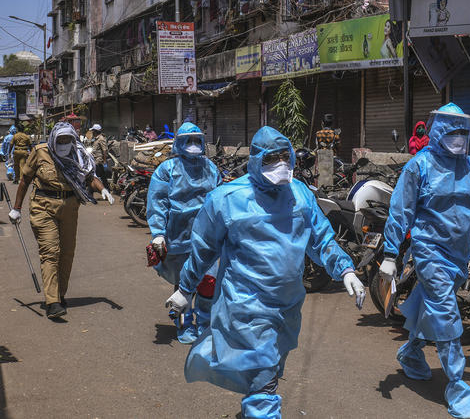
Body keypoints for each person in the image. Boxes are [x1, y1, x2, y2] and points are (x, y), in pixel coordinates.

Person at [166, 126, 365, 418]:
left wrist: (345, 269)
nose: (281, 164)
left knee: (269, 367)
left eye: (286, 157)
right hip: (247, 305)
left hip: (287, 305)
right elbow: (204, 249)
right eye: (273, 158)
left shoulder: (299, 194)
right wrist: (185, 289)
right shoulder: (228, 198)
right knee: (264, 378)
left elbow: (321, 239)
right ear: (257, 159)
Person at [380, 103, 470, 419]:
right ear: (440, 130)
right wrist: (390, 254)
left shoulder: (469, 166)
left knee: (434, 307)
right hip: (429, 251)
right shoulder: (419, 166)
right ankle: (458, 388)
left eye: (463, 130)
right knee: (445, 311)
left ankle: (412, 352)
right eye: (453, 130)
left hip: (459, 255)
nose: (459, 136)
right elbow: (400, 211)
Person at [8, 122, 115, 319]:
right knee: (50, 252)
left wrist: (103, 189)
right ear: (54, 138)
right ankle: (52, 302)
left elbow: (89, 176)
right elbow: (25, 180)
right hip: (43, 206)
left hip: (69, 207)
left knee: (66, 253)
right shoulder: (41, 152)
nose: (65, 142)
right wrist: (16, 208)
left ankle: (60, 294)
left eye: (68, 139)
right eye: (61, 139)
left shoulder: (78, 153)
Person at [147, 122, 221, 344]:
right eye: (188, 140)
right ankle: (184, 323)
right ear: (179, 142)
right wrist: (158, 233)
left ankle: (205, 323)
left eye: (197, 140)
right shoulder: (167, 170)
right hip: (178, 236)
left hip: (207, 237)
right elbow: (157, 202)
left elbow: (220, 200)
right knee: (183, 283)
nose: (193, 145)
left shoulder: (211, 168)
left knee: (209, 280)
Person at [88, 124, 109, 188]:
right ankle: (105, 188)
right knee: (102, 176)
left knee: (96, 175)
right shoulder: (96, 138)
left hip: (98, 160)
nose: (92, 132)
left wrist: (104, 161)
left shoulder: (101, 139)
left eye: (93, 131)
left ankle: (101, 188)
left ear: (96, 131)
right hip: (95, 159)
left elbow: (105, 150)